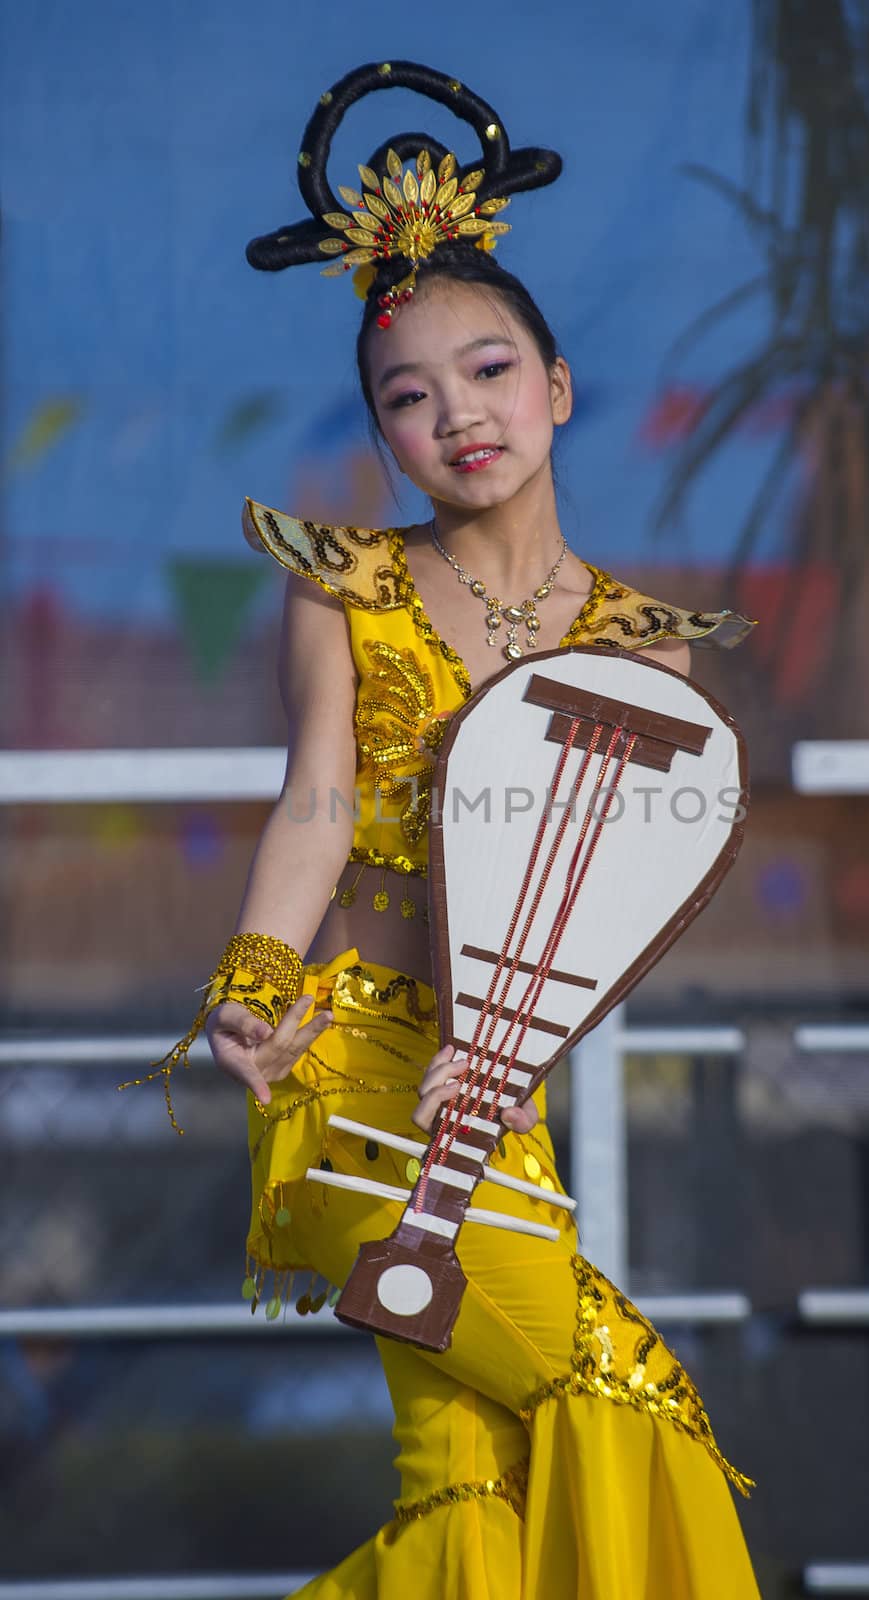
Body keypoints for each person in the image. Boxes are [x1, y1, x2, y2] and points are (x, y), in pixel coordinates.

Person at [157, 61, 761, 1599]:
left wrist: (508, 1054)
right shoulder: (344, 582)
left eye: (489, 372)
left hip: (496, 1091)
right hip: (348, 1074)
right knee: (621, 1392)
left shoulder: (645, 651)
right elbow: (318, 796)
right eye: (407, 398)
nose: (456, 417)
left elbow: (613, 910)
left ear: (557, 388)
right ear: (380, 436)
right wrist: (249, 978)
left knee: (469, 1484)